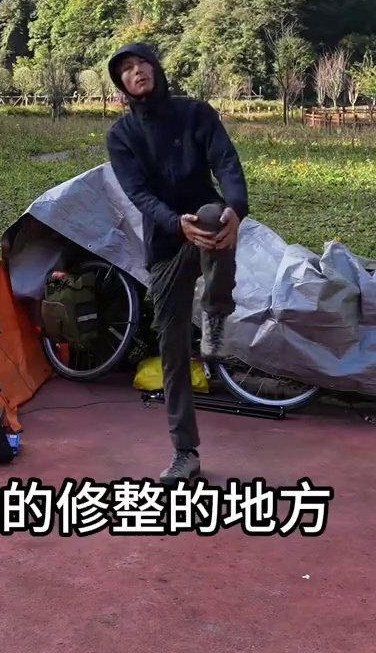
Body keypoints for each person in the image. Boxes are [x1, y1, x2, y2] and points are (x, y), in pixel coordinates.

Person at [104, 42, 249, 486]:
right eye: (125, 70)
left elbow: (225, 161)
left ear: (156, 69)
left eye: (141, 63)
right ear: (122, 86)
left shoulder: (196, 114)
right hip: (167, 243)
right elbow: (138, 194)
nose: (135, 72)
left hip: (206, 226)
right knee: (170, 348)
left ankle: (217, 313)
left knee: (213, 213)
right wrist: (173, 222)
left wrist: (237, 210)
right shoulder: (121, 136)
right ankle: (185, 451)